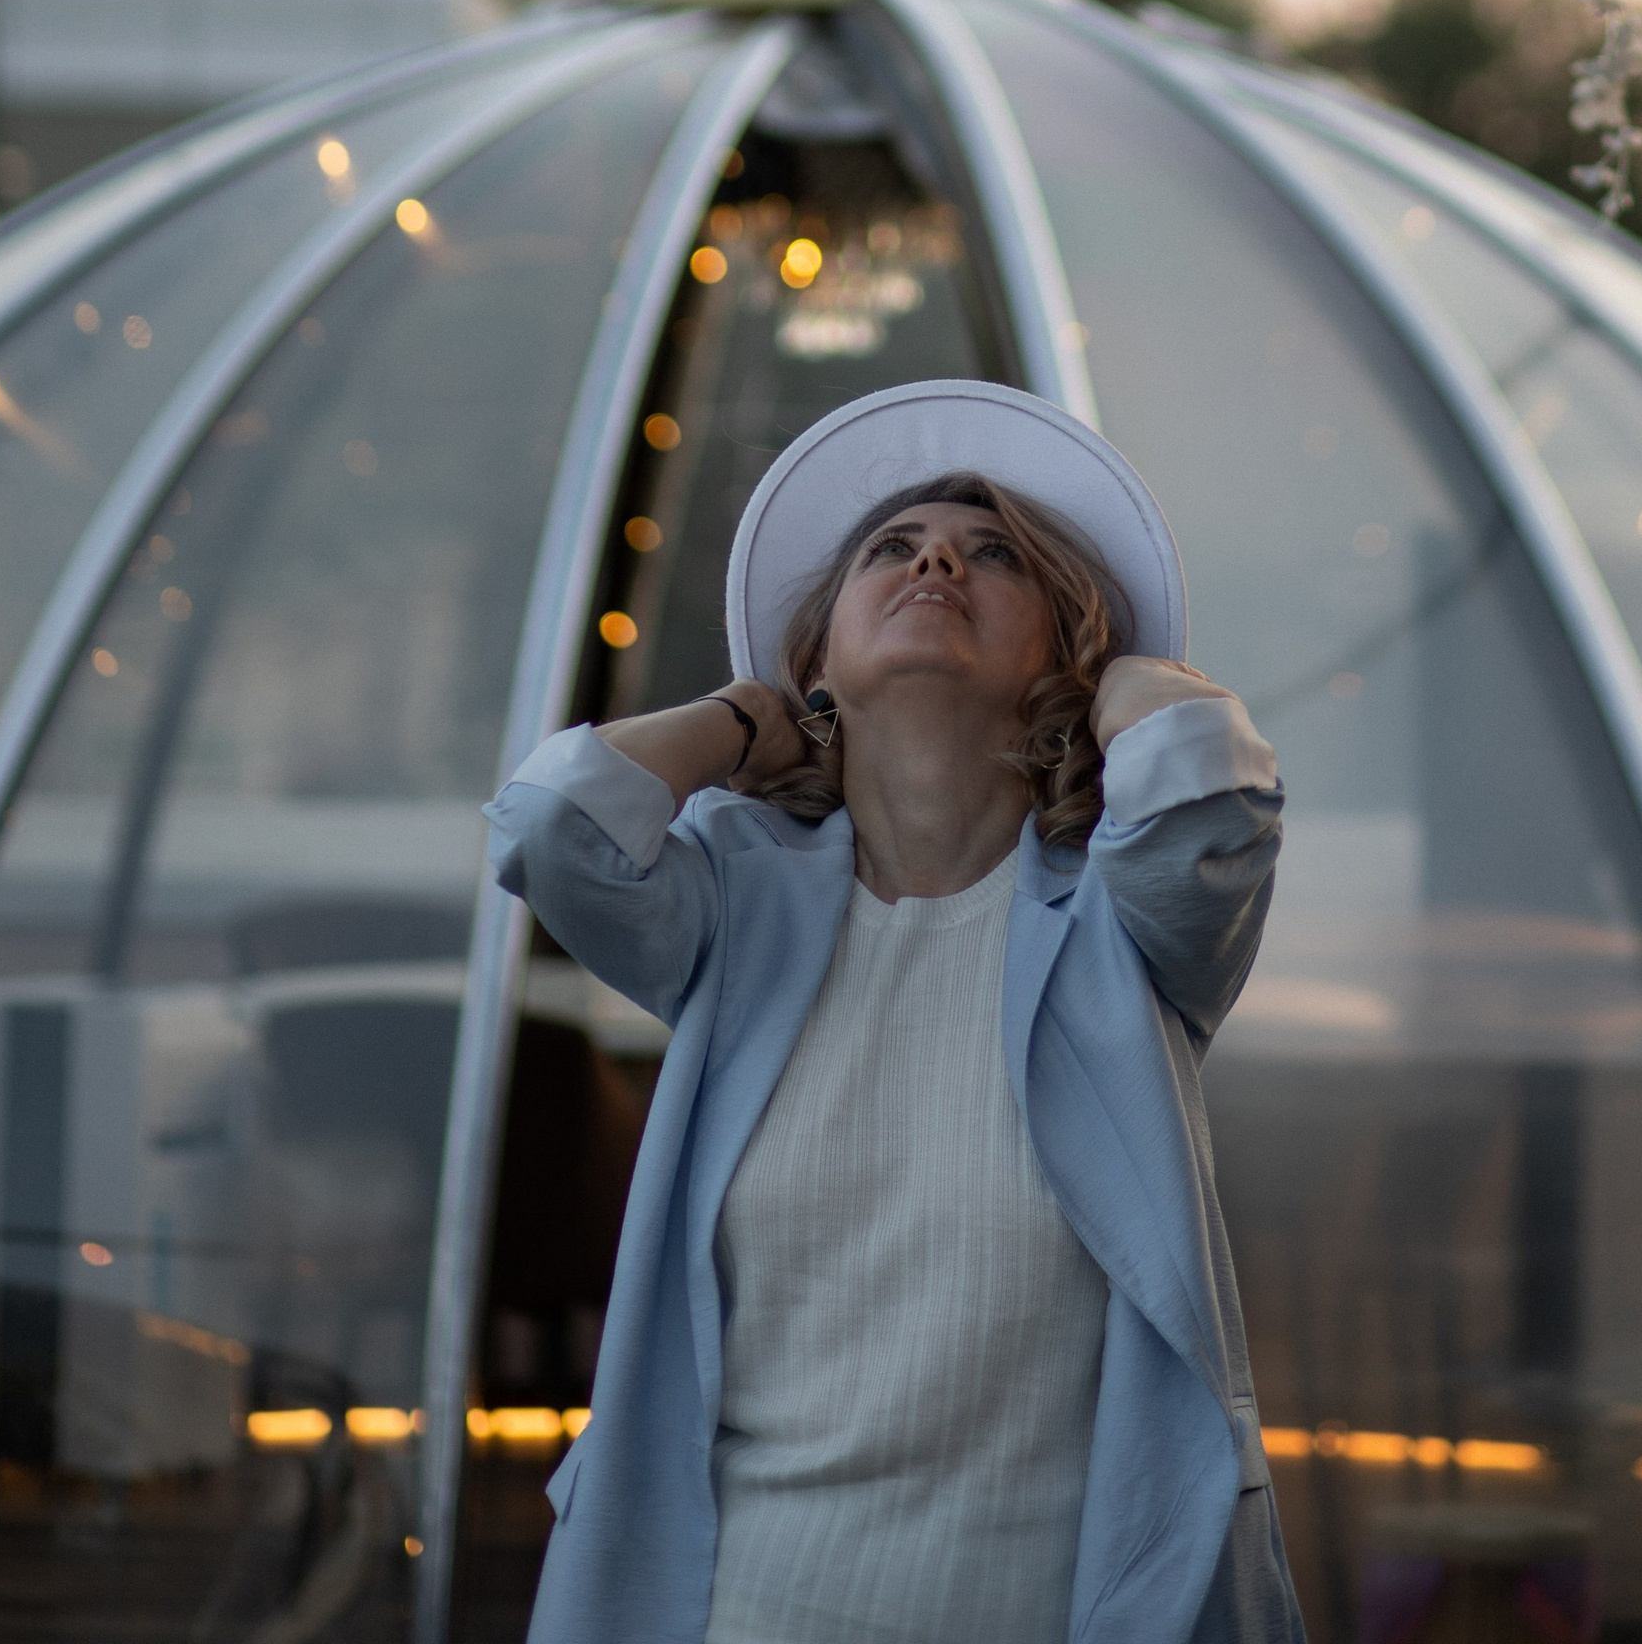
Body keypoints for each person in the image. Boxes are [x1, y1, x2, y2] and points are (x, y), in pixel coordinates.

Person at [486, 375, 1305, 1644]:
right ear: (817, 657)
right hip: (738, 1609)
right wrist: (738, 719)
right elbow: (551, 827)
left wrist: (1125, 671)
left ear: (1067, 656)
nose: (936, 561)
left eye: (997, 556)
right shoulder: (735, 904)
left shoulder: (1126, 924)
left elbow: (1206, 783)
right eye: (892, 548)